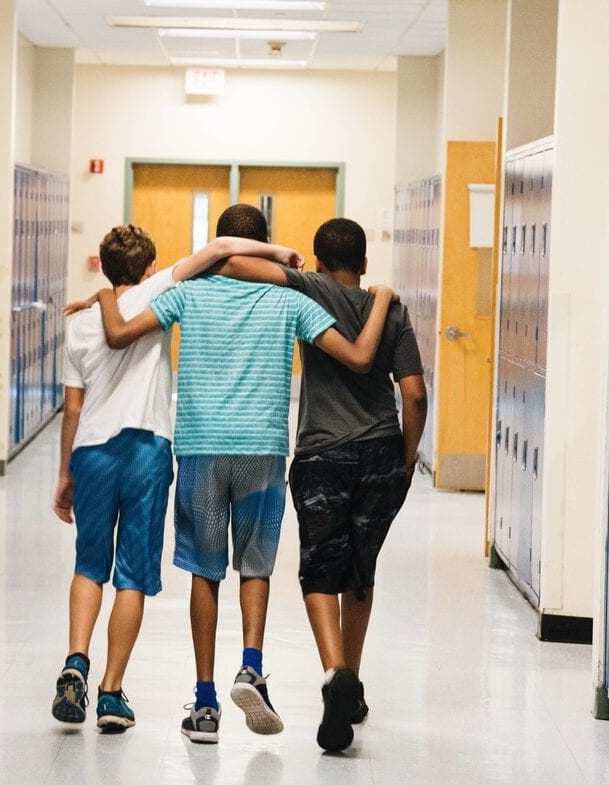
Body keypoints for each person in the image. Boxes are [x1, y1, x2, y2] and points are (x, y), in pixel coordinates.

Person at [95, 204, 396, 744]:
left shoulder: (185, 294)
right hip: (261, 449)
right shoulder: (289, 298)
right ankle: (251, 667)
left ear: (221, 245)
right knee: (255, 567)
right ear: (263, 245)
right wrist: (382, 302)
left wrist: (96, 302)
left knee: (204, 571)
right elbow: (355, 357)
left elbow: (123, 330)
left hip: (202, 448)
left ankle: (205, 704)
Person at [51, 224, 302, 733]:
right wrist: (278, 252)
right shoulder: (161, 288)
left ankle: (76, 661)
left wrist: (64, 473)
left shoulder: (79, 322)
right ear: (147, 267)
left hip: (92, 452)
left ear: (103, 264)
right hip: (146, 449)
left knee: (88, 564)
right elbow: (222, 249)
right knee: (133, 576)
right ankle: (110, 692)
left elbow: (71, 410)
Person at [215, 217, 427, 752]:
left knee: (319, 566)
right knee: (361, 566)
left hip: (322, 453)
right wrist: (404, 459)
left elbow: (234, 263)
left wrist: (282, 257)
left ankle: (335, 672)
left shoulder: (312, 288)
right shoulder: (394, 308)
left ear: (320, 257)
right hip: (381, 448)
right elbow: (415, 394)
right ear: (363, 262)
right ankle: (351, 683)